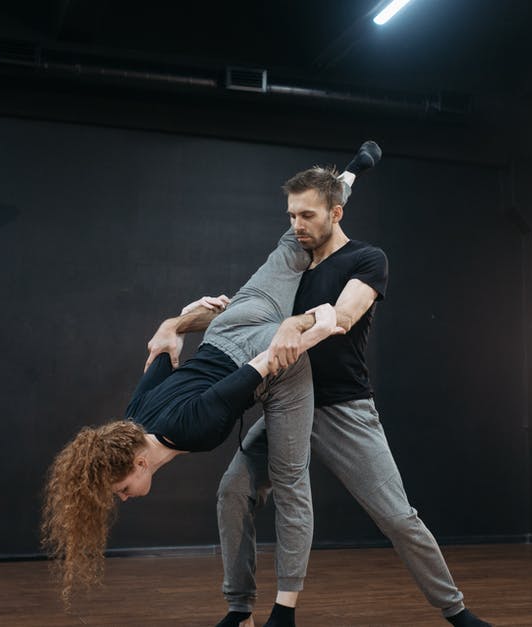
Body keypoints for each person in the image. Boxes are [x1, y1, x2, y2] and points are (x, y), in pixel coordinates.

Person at [153, 142, 493, 627]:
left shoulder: (366, 259)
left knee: (398, 517)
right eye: (290, 216)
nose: (296, 226)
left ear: (335, 214)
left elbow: (347, 315)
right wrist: (174, 325)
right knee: (233, 492)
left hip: (341, 407)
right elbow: (238, 314)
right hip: (285, 401)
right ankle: (239, 608)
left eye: (307, 216)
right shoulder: (294, 256)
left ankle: (456, 611)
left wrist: (296, 324)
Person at [42, 157, 370, 627]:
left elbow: (254, 372)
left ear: (138, 464)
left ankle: (282, 614)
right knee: (291, 244)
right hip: (231, 325)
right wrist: (174, 323)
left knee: (291, 482)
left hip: (260, 354)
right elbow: (162, 358)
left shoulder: (189, 431)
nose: (124, 497)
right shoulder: (134, 417)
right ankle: (350, 175)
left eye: (121, 489)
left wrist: (308, 329)